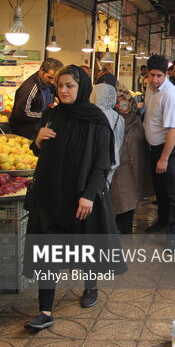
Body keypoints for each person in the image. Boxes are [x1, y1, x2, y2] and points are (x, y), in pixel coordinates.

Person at [23, 65, 126, 330]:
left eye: (70, 86)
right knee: (48, 250)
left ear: (82, 89)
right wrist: (37, 141)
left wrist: (89, 195)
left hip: (81, 193)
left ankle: (90, 285)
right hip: (50, 192)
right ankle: (45, 310)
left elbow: (102, 162)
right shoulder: (52, 114)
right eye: (60, 86)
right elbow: (42, 155)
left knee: (85, 245)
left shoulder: (96, 119)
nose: (64, 90)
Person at [143, 55, 175, 249]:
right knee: (159, 188)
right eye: (152, 75)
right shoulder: (150, 88)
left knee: (174, 190)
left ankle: (173, 235)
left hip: (172, 147)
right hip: (155, 146)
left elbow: (173, 130)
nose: (155, 80)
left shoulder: (170, 94)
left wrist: (164, 158)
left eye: (159, 76)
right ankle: (162, 221)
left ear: (166, 75)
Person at [110, 85, 153, 234]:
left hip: (127, 165)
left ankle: (122, 228)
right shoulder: (133, 121)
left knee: (125, 195)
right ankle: (121, 227)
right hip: (128, 166)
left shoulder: (127, 122)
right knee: (125, 196)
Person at [10, 58, 63, 139]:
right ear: (41, 70)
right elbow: (21, 113)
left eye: (54, 79)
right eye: (49, 77)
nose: (52, 82)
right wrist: (45, 115)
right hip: (27, 133)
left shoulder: (50, 85)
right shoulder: (29, 88)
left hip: (40, 130)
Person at [91, 82, 124, 186]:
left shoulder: (91, 114)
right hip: (112, 158)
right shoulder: (119, 118)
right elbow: (120, 139)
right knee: (105, 187)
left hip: (94, 157)